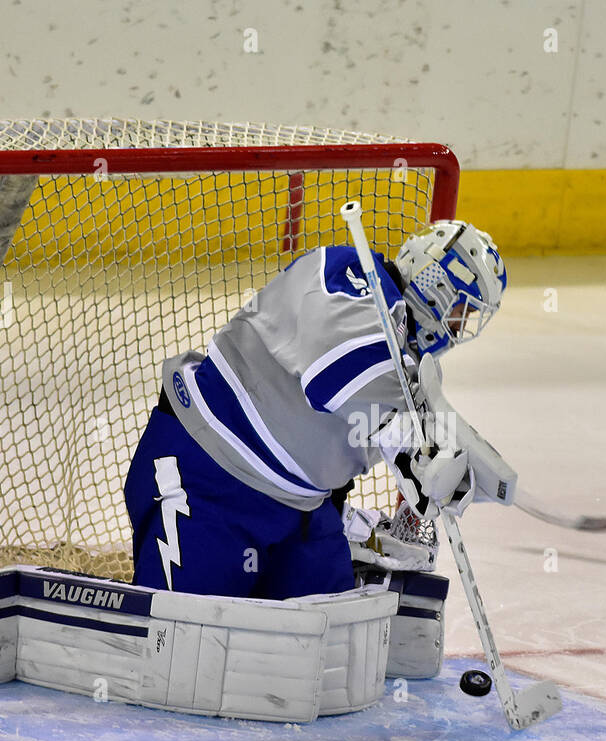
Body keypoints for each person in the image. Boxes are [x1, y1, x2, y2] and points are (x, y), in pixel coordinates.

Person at [122, 220, 507, 600]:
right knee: (182, 636)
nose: (459, 327)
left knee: (329, 647)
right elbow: (332, 372)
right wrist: (406, 436)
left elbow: (350, 444)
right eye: (462, 310)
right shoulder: (351, 273)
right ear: (436, 283)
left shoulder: (413, 370)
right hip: (210, 479)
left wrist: (451, 473)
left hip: (301, 516)